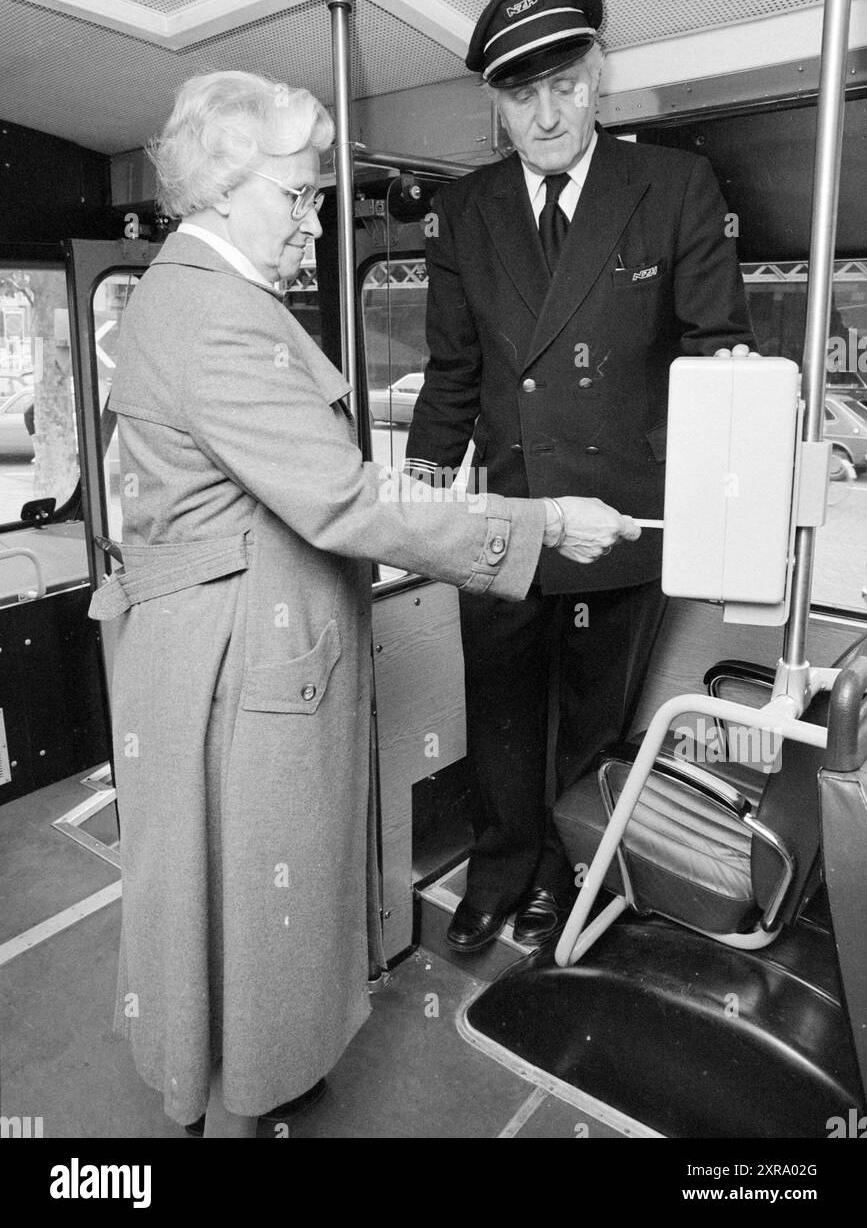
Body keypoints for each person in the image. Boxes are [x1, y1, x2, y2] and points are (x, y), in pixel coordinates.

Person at [88, 69, 640, 1138]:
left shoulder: (205, 292)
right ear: (223, 188)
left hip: (235, 646)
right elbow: (340, 503)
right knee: (247, 903)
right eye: (296, 196)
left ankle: (255, 1075)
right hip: (239, 665)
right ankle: (241, 1098)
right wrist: (540, 524)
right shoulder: (215, 315)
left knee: (242, 901)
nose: (313, 221)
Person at [405, 0, 757, 956]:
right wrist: (421, 494)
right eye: (521, 95)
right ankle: (501, 867)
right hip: (508, 517)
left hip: (623, 516)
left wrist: (733, 396)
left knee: (589, 720)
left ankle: (562, 869)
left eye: (564, 84)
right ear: (496, 103)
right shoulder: (462, 210)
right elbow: (454, 372)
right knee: (505, 712)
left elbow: (713, 344)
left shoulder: (673, 187)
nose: (546, 114)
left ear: (597, 77)